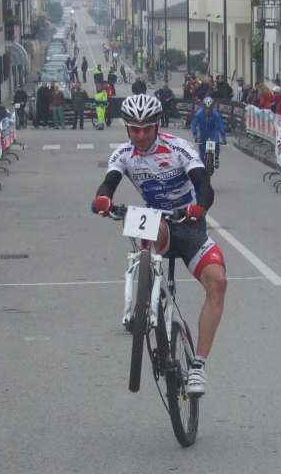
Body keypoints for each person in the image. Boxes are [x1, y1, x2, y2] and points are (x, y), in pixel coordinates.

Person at [90, 94, 227, 397]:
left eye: (147, 129)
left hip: (189, 225)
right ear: (127, 129)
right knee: (148, 227)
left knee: (218, 282)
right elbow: (109, 183)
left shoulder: (178, 148)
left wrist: (198, 208)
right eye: (134, 129)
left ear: (157, 126)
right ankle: (142, 304)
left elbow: (203, 183)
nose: (140, 135)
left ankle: (198, 367)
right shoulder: (123, 155)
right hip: (159, 222)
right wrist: (102, 199)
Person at [191, 97, 226, 169]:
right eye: (206, 108)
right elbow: (193, 125)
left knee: (216, 143)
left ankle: (216, 158)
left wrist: (223, 138)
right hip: (202, 133)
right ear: (203, 107)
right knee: (201, 154)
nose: (207, 110)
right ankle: (202, 166)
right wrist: (195, 136)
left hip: (212, 132)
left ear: (212, 107)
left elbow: (220, 126)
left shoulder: (215, 114)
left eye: (209, 108)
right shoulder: (199, 114)